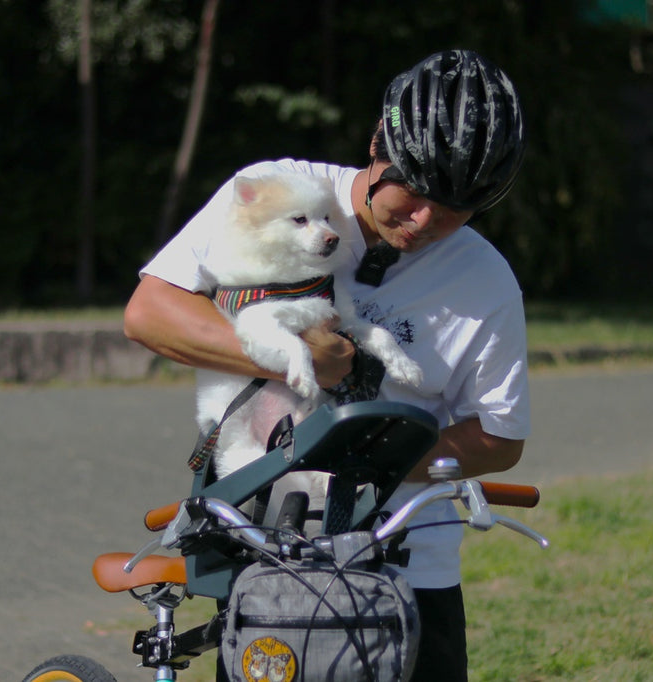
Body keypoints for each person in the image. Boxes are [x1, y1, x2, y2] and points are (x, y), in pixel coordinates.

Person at [124, 49, 529, 682]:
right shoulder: (284, 191)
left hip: (407, 576)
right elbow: (150, 311)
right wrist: (300, 359)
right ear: (378, 144)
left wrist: (372, 464)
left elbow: (500, 438)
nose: (424, 221)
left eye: (453, 212)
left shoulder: (488, 283)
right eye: (415, 194)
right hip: (266, 560)